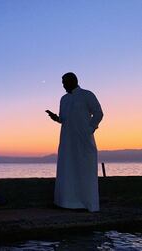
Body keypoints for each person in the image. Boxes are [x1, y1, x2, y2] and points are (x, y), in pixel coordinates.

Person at [46, 72, 103, 212]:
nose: (63, 85)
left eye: (64, 82)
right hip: (67, 140)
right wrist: (56, 118)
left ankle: (85, 203)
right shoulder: (63, 99)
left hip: (83, 139)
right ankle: (66, 202)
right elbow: (64, 119)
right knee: (67, 168)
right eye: (62, 82)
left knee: (84, 169)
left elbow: (98, 113)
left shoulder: (86, 95)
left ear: (73, 81)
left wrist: (89, 129)